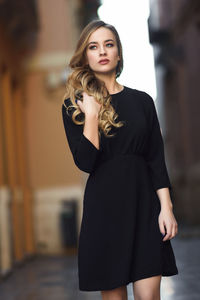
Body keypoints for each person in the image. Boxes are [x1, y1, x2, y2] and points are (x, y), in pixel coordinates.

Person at [61, 19, 178, 300]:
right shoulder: (74, 106)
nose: (102, 51)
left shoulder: (142, 102)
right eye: (94, 46)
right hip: (105, 213)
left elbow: (155, 157)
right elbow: (86, 162)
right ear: (85, 56)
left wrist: (166, 207)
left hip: (145, 208)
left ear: (118, 53)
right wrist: (90, 114)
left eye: (108, 45)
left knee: (149, 296)